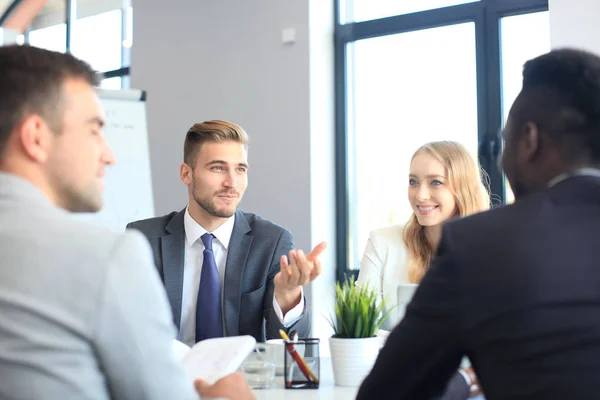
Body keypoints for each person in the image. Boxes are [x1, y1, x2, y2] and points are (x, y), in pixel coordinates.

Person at [0, 45, 254, 400]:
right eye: (93, 130)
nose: (109, 154)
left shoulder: (270, 239)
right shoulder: (107, 256)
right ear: (36, 137)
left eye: (240, 168)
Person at [357, 47, 600, 400]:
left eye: (506, 142)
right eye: (413, 181)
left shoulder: (480, 244)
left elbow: (389, 393)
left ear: (529, 141)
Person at [127, 120, 326, 345]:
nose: (232, 183)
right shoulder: (142, 239)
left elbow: (291, 349)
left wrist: (288, 296)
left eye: (240, 169)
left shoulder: (271, 243)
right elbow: (126, 332)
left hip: (241, 378)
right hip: (169, 377)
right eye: (218, 168)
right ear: (186, 174)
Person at [357, 141, 489, 399]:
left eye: (435, 182)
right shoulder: (382, 242)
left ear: (462, 188)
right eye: (413, 181)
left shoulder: (491, 250)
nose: (420, 195)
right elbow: (361, 333)